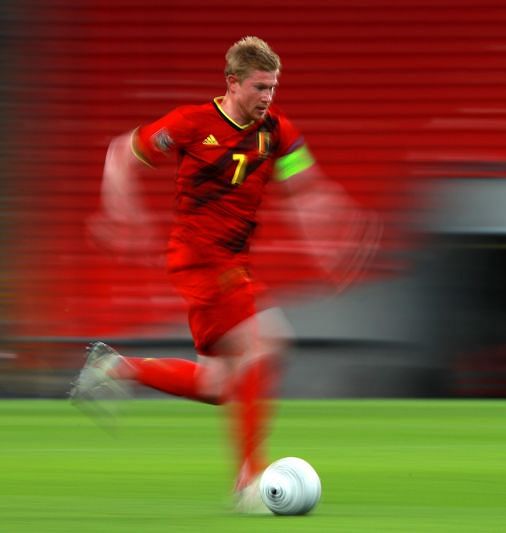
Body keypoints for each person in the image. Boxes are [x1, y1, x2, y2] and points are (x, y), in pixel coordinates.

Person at [69, 36, 379, 514]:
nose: (268, 97)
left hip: (233, 263)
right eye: (260, 87)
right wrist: (119, 209)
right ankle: (249, 483)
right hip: (200, 260)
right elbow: (121, 152)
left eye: (273, 87)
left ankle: (116, 368)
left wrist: (334, 229)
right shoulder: (191, 124)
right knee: (266, 342)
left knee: (219, 386)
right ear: (232, 82)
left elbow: (308, 188)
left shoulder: (276, 131)